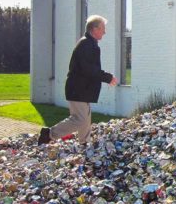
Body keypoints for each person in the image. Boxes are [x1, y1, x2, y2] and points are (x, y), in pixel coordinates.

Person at [38, 15, 118, 145]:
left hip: (81, 89)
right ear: (94, 29)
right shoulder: (86, 44)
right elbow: (89, 69)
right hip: (78, 89)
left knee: (85, 119)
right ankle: (49, 134)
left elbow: (90, 69)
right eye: (103, 28)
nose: (105, 32)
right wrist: (108, 78)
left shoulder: (89, 43)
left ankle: (84, 143)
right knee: (80, 119)